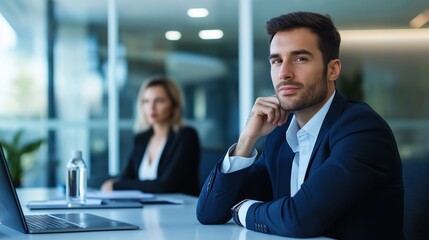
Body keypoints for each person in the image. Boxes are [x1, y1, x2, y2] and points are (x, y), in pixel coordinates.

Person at [196, 11, 404, 239]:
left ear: (332, 70)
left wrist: (242, 209)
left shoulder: (361, 129)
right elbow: (209, 213)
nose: (284, 73)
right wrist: (247, 140)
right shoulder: (280, 134)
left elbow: (300, 219)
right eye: (276, 61)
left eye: (300, 59)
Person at [101, 76, 201, 196]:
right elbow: (126, 178)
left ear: (174, 105)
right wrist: (120, 184)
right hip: (145, 207)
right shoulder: (141, 138)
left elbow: (166, 185)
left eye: (159, 101)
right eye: (146, 101)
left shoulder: (186, 136)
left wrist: (115, 185)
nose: (151, 107)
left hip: (179, 209)